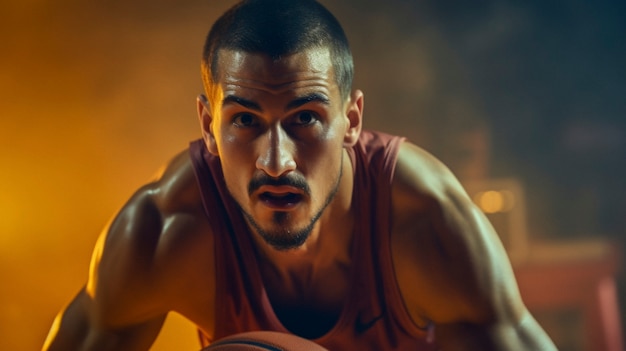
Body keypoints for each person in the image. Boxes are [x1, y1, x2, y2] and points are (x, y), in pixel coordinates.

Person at [43, 0, 557, 350]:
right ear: (207, 125)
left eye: (305, 118)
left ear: (351, 121)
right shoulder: (166, 231)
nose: (276, 161)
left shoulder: (428, 226)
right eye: (244, 120)